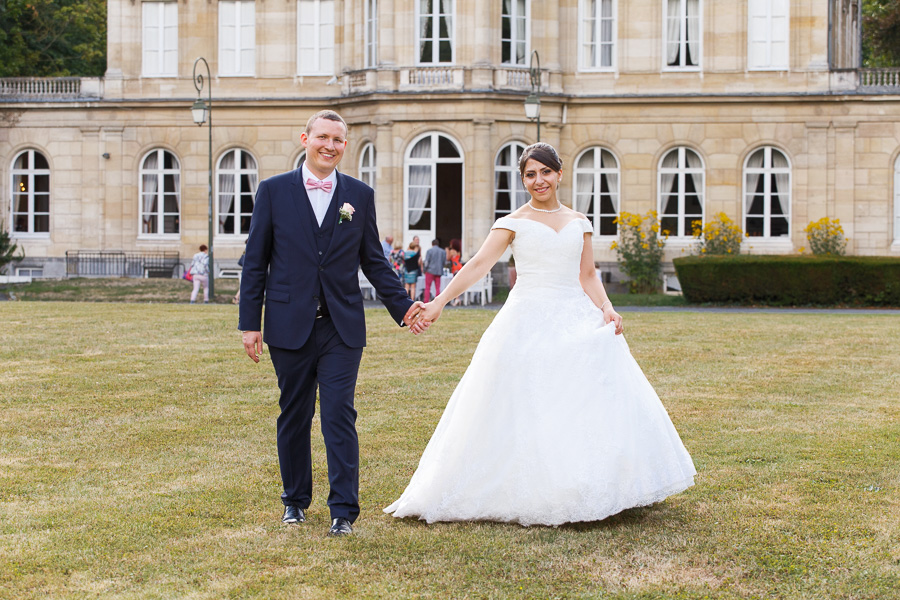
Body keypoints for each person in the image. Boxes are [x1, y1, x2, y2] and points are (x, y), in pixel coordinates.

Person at [385, 143, 695, 526]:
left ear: (559, 174)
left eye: (545, 172)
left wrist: (606, 307)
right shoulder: (512, 222)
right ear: (523, 180)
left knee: (582, 398)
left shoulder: (580, 221)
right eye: (530, 175)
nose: (538, 181)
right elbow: (479, 264)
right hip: (526, 317)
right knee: (526, 398)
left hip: (575, 315)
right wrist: (439, 302)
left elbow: (587, 275)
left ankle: (589, 483)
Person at [239, 110, 428, 537]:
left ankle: (343, 511)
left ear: (345, 146)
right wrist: (250, 323)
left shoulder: (359, 195)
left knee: (339, 414)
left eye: (338, 140)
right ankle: (294, 502)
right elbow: (255, 263)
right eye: (322, 137)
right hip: (288, 324)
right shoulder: (272, 192)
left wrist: (404, 308)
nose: (329, 145)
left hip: (341, 327)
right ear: (305, 138)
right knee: (295, 413)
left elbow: (374, 262)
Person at [422, 238, 446, 303]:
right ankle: (437, 302)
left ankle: (426, 301)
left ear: (432, 244)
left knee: (427, 287)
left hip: (430, 271)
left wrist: (424, 270)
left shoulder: (429, 251)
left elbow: (426, 262)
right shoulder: (443, 251)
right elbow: (444, 262)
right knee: (437, 287)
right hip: (438, 271)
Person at [446, 238, 463, 306]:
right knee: (458, 283)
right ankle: (457, 299)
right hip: (459, 266)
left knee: (455, 283)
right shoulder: (458, 252)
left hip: (455, 268)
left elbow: (448, 258)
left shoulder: (452, 251)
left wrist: (447, 250)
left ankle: (457, 299)